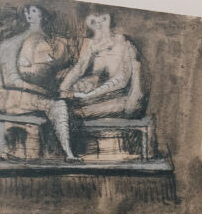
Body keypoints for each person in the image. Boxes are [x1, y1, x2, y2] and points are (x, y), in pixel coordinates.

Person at [45, 9, 145, 161]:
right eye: (94, 21)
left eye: (103, 19)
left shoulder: (123, 44)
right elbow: (78, 70)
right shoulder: (93, 46)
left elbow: (121, 80)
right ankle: (68, 154)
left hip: (123, 100)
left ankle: (71, 153)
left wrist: (87, 95)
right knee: (60, 105)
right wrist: (63, 90)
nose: (98, 24)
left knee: (74, 112)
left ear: (111, 19)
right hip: (95, 97)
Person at [0, 3, 70, 127]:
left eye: (33, 10)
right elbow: (12, 81)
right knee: (59, 106)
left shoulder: (56, 42)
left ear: (44, 14)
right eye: (27, 11)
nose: (28, 14)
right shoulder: (12, 43)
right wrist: (48, 93)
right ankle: (66, 147)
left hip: (35, 93)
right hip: (13, 97)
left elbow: (57, 73)